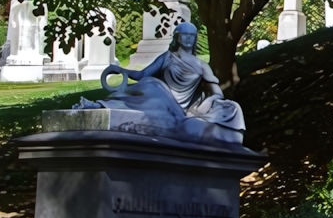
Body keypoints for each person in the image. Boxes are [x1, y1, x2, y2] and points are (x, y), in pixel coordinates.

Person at [84, 21, 246, 144]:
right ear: (177, 37)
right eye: (184, 35)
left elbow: (217, 93)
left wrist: (208, 101)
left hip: (178, 109)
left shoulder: (202, 66)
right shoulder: (167, 57)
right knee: (148, 85)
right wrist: (122, 71)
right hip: (160, 94)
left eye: (192, 35)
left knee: (233, 107)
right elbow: (142, 74)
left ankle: (103, 107)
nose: (188, 39)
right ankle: (102, 106)